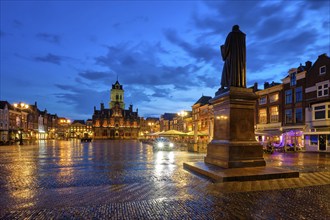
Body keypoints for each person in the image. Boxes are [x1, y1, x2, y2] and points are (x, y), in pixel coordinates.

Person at [220, 25, 246, 89]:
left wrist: (222, 48)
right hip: (240, 59)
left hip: (231, 56)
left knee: (226, 70)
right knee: (240, 70)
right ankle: (239, 84)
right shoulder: (242, 36)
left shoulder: (231, 34)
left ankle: (224, 85)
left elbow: (227, 46)